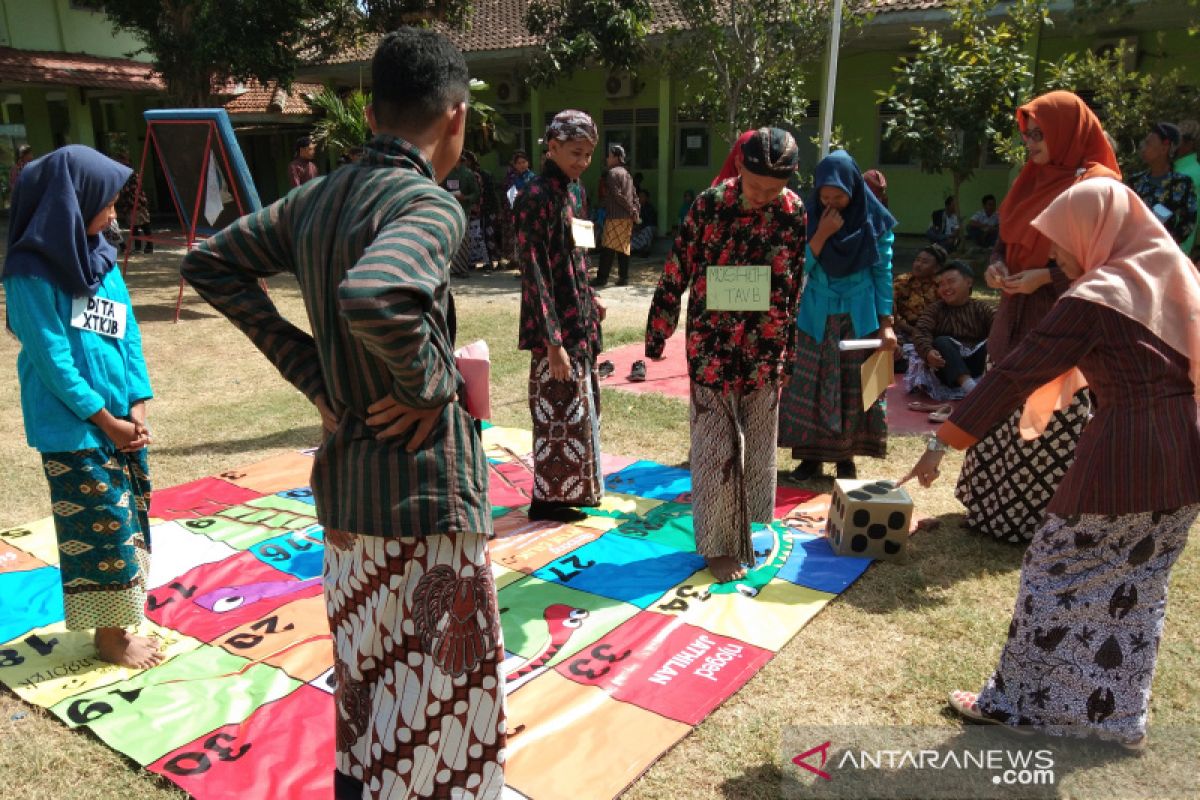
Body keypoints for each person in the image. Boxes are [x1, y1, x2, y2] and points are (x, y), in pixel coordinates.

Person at [180, 28, 505, 798]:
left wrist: (314, 376)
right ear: (456, 116)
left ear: (368, 110)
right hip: (426, 502)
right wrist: (430, 387)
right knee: (444, 717)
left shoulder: (316, 199)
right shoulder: (429, 205)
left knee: (367, 697)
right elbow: (377, 293)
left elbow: (211, 264)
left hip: (349, 499)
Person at [904, 177, 1200, 751]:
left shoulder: (1098, 295)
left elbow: (1017, 372)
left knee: (1054, 570)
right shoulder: (1171, 271)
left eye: (1062, 242)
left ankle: (1019, 705)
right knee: (1137, 585)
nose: (1057, 256)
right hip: (1186, 454)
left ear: (1094, 233)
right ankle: (1113, 719)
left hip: (1127, 452)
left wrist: (946, 442)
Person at [2, 146, 160, 670]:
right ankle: (109, 638)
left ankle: (120, 620)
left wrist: (135, 402)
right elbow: (52, 359)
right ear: (70, 201)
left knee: (131, 516)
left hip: (119, 420)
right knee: (100, 529)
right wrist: (104, 420)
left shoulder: (100, 255)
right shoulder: (29, 273)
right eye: (107, 204)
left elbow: (127, 330)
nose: (114, 215)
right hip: (73, 428)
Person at [959, 89, 1120, 545]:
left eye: (1037, 134)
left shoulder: (1097, 183)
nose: (1028, 143)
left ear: (1068, 132)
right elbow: (1006, 236)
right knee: (1001, 404)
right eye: (1026, 134)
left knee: (1047, 417)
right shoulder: (1030, 177)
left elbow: (1104, 259)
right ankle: (990, 512)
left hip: (1064, 315)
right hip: (1014, 312)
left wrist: (1045, 277)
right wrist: (997, 265)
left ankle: (1037, 523)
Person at [645, 127, 806, 583]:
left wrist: (787, 355)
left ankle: (749, 528)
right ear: (739, 167)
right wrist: (658, 330)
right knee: (714, 446)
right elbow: (677, 268)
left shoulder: (794, 212)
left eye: (773, 189)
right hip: (713, 347)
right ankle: (717, 547)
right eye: (755, 187)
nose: (763, 197)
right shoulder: (709, 206)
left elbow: (794, 284)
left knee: (758, 448)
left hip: (765, 349)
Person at [778, 149, 897, 481]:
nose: (831, 202)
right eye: (824, 195)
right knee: (809, 384)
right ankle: (809, 459)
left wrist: (887, 324)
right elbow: (795, 266)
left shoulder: (876, 222)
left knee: (853, 386)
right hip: (816, 315)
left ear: (854, 189)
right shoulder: (808, 217)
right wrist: (821, 235)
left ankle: (846, 458)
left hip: (858, 317)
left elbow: (882, 274)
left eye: (839, 196)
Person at [516, 110, 606, 523]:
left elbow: (579, 251)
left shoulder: (576, 192)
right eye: (575, 153)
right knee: (555, 411)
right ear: (551, 147)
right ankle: (547, 499)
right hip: (554, 322)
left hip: (578, 314)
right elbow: (534, 270)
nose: (582, 161)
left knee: (579, 409)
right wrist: (552, 342)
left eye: (588, 154)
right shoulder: (534, 195)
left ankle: (574, 491)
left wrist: (591, 295)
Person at [905, 260, 994, 401]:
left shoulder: (982, 308)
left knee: (994, 340)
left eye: (951, 281)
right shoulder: (936, 309)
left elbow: (1000, 327)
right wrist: (928, 352)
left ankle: (983, 386)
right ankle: (970, 388)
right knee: (942, 342)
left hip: (977, 365)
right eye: (941, 284)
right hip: (946, 367)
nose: (945, 288)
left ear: (968, 282)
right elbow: (921, 331)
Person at [1128, 122, 1197, 248]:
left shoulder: (1182, 184)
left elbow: (1188, 223)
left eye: (1149, 143)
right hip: (1132, 250)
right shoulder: (1135, 181)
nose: (1143, 147)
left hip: (1164, 253)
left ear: (1164, 149)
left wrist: (1164, 244)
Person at [591, 144, 639, 288]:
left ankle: (602, 278)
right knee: (623, 248)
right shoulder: (627, 174)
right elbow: (634, 195)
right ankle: (624, 278)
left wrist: (630, 208)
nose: (607, 159)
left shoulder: (612, 174)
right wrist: (635, 210)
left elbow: (617, 195)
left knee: (607, 248)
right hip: (627, 217)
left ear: (616, 157)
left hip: (615, 216)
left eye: (609, 156)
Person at [892, 243, 946, 347]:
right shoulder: (902, 281)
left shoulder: (942, 286)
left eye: (924, 262)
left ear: (937, 268)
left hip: (933, 334)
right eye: (917, 260)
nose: (918, 264)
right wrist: (908, 328)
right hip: (902, 330)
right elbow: (890, 306)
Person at [114, 151, 153, 255]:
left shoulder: (131, 174)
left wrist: (122, 191)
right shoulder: (127, 173)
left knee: (144, 225)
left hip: (137, 203)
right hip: (132, 204)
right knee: (135, 226)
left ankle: (148, 246)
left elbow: (132, 189)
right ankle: (139, 247)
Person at [502, 150, 535, 265]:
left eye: (524, 162)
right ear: (515, 165)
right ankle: (522, 266)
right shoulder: (512, 178)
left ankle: (530, 265)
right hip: (516, 213)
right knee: (519, 240)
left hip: (530, 213)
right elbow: (507, 194)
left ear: (528, 163)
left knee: (530, 240)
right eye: (519, 163)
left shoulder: (532, 178)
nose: (521, 165)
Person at [1173, 119, 1200, 257]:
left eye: (1178, 140)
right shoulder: (1174, 168)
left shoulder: (1192, 173)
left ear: (1189, 144)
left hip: (1178, 248)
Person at [631, 187, 657, 256]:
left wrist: (640, 226)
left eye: (642, 196)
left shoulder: (650, 208)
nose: (640, 198)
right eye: (639, 196)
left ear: (647, 198)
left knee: (648, 230)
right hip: (638, 228)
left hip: (647, 228)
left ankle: (645, 250)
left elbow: (649, 222)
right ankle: (634, 250)